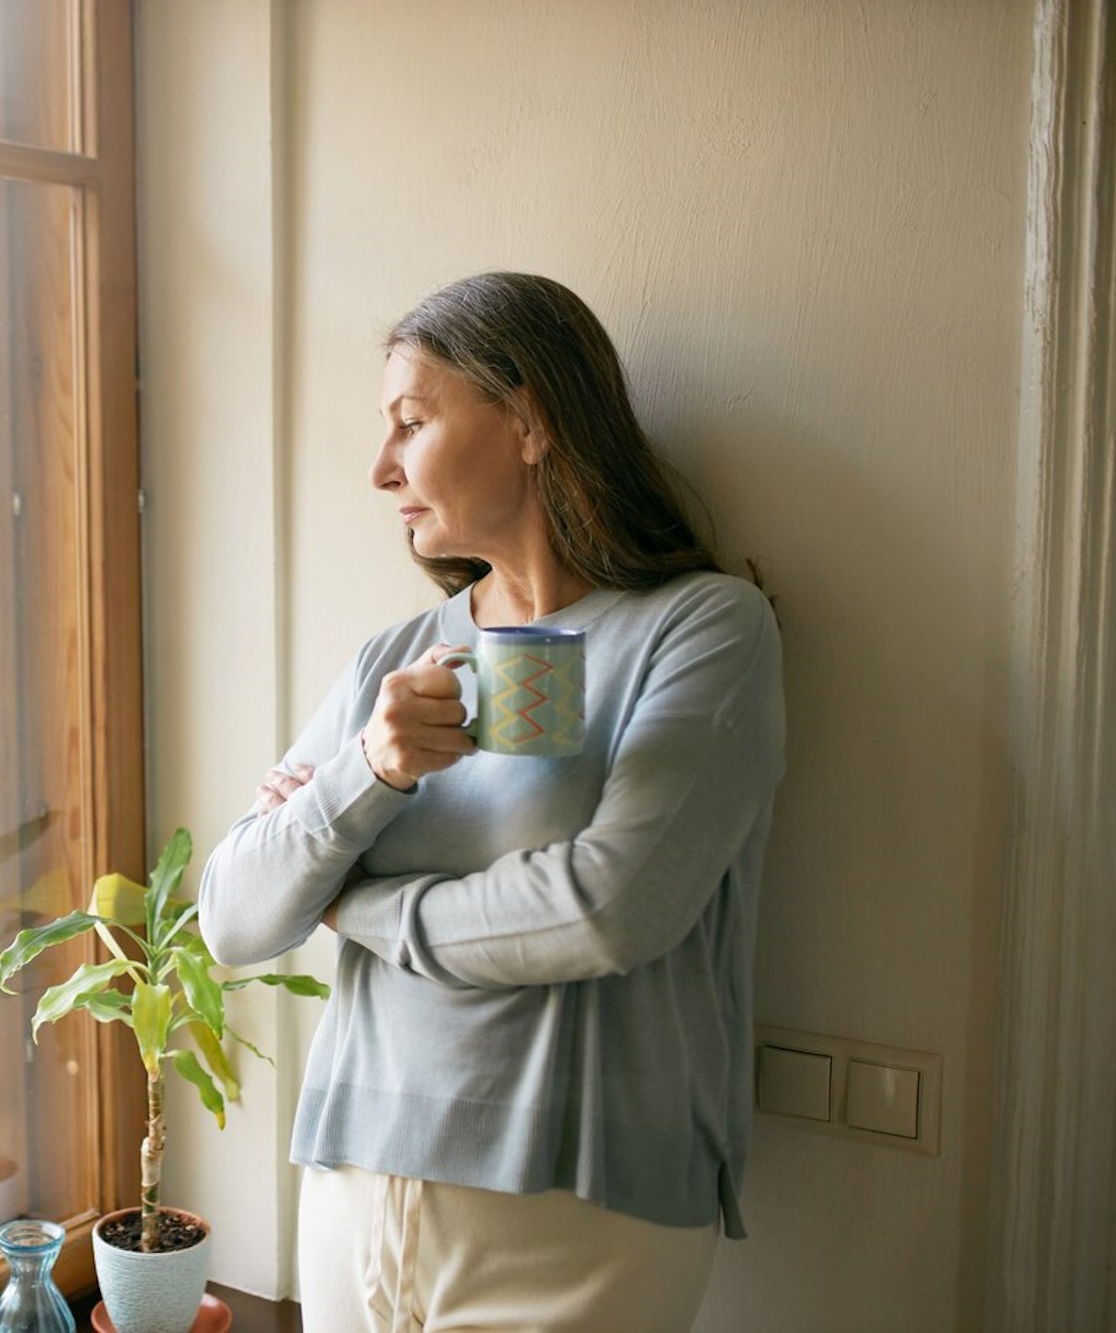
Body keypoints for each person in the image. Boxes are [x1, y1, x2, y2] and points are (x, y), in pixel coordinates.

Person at [197, 272, 785, 1333]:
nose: (380, 470)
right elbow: (234, 917)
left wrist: (354, 905)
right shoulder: (398, 658)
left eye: (410, 424)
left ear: (527, 420)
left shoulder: (702, 631)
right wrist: (363, 775)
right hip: (350, 1178)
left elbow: (605, 908)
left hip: (581, 1201)